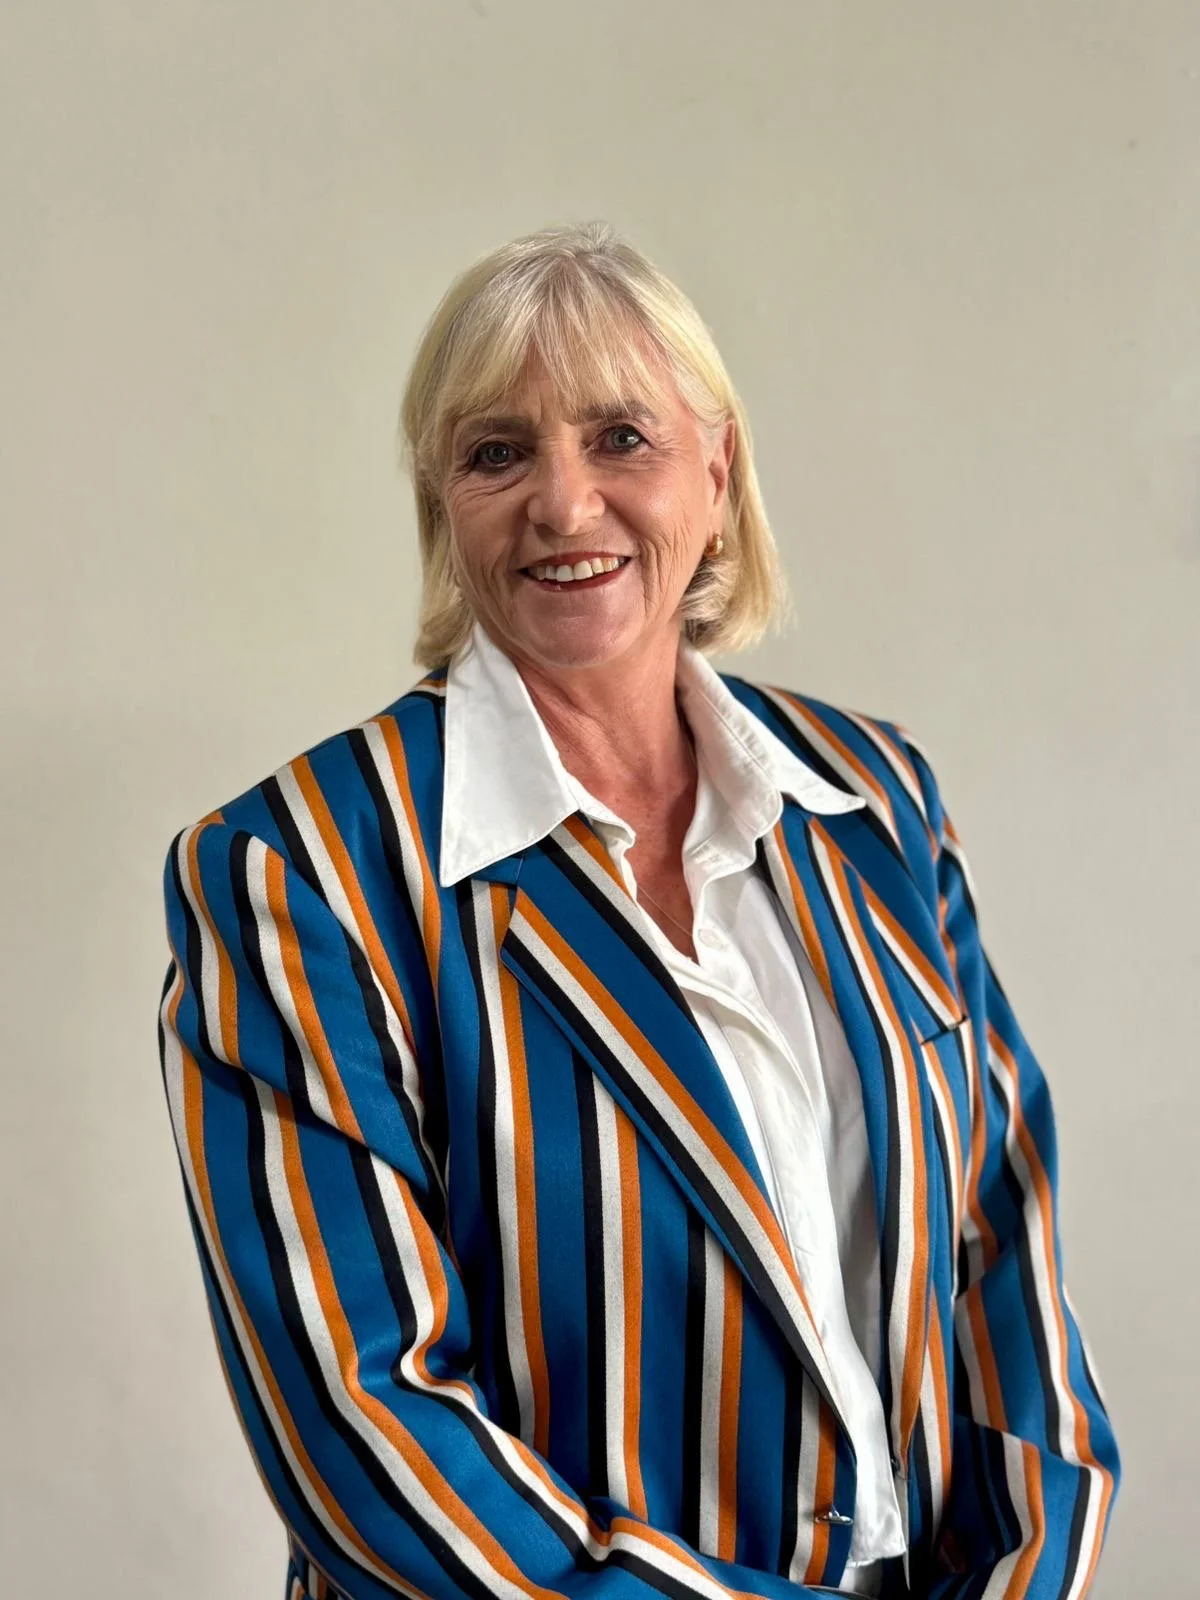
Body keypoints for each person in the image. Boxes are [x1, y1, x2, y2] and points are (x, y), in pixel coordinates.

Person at [157, 222, 1119, 1600]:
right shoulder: (302, 868)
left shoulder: (877, 798)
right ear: (443, 502)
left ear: (716, 476)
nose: (563, 504)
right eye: (498, 454)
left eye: (620, 438)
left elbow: (1002, 1242)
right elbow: (362, 1425)